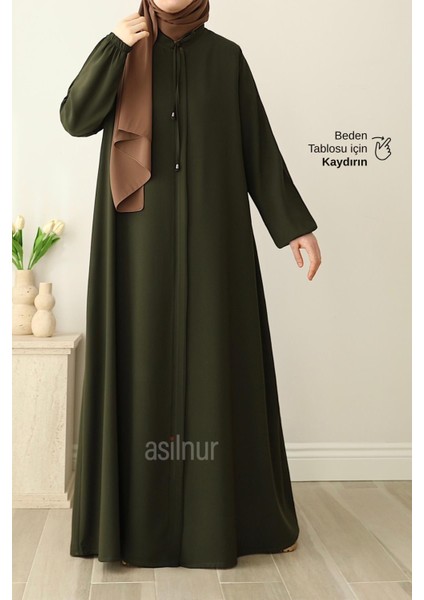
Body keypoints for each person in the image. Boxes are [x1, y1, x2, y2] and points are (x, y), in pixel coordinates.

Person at [60, 0, 322, 569]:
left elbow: (258, 149)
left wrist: (294, 227)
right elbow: (75, 118)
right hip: (135, 246)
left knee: (215, 365)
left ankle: (228, 523)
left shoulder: (227, 60)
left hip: (213, 244)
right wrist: (113, 47)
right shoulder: (123, 50)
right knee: (141, 366)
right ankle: (135, 528)